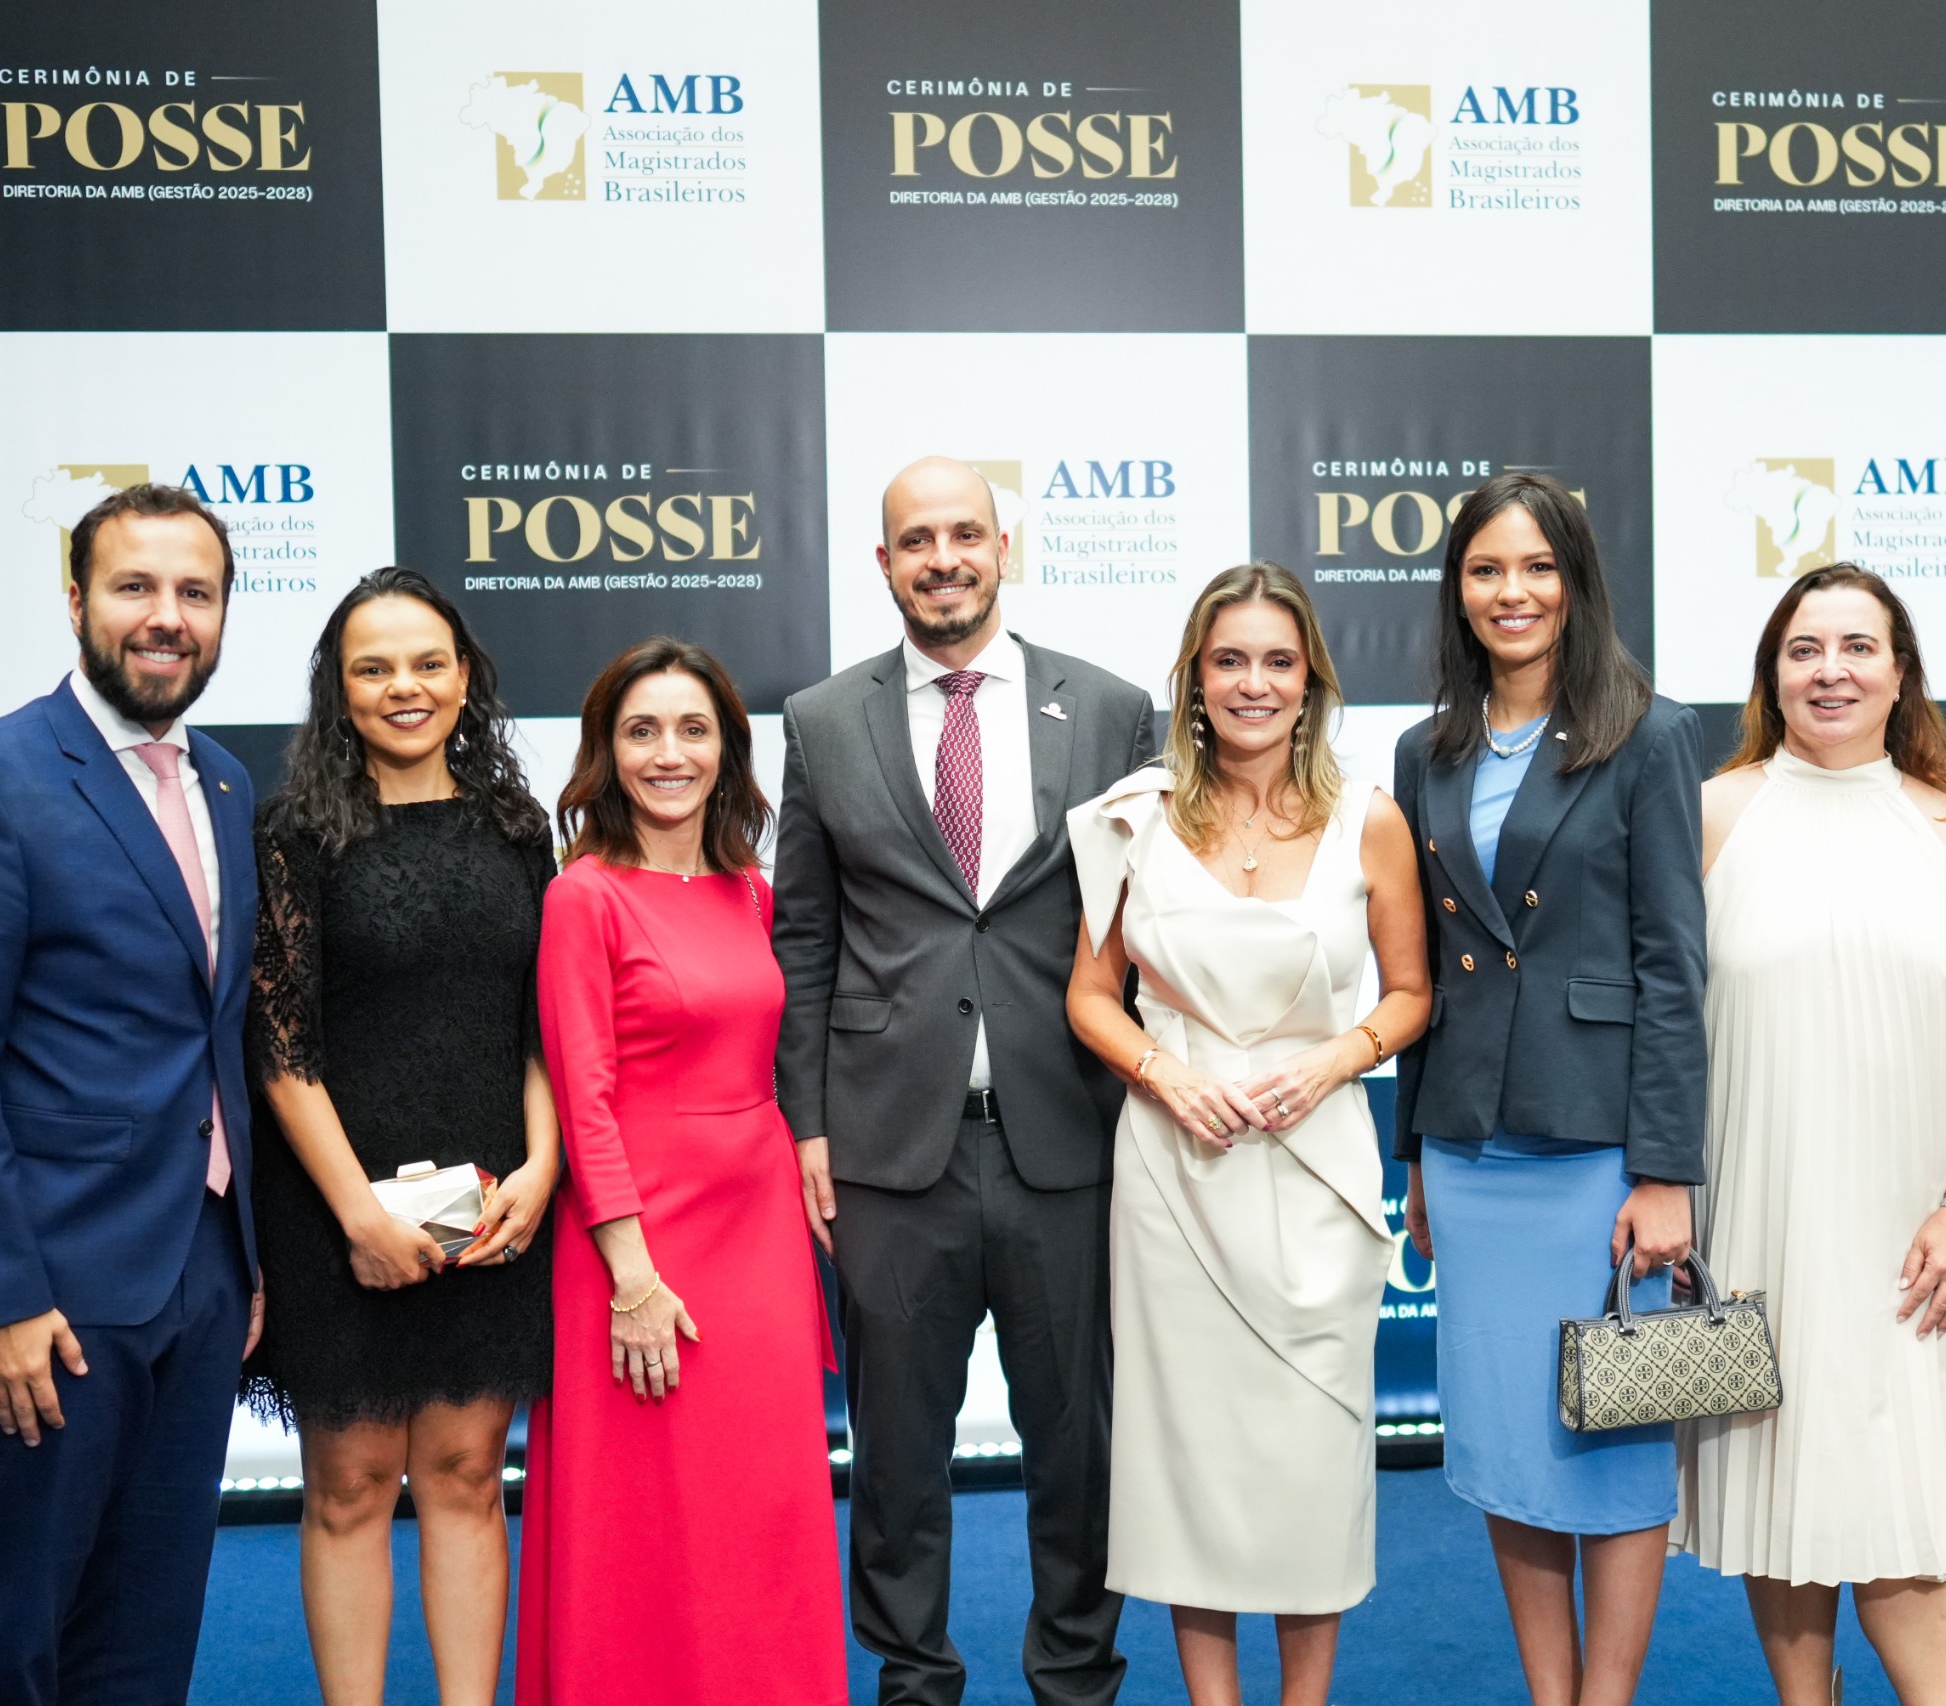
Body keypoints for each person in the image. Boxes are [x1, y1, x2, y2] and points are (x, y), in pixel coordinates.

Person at [774, 456, 1155, 1706]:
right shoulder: (821, 719)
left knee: (1080, 1444)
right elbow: (804, 938)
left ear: (1004, 547)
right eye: (916, 540)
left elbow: (1148, 930)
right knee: (895, 1455)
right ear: (883, 562)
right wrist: (806, 1123)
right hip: (888, 1151)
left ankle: (1076, 1676)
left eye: (964, 535)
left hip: (1068, 1137)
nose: (943, 559)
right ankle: (913, 1676)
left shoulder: (1110, 709)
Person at [0, 482, 262, 1704]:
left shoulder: (225, 785)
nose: (166, 616)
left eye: (195, 591)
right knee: (16, 1637)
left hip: (199, 1276)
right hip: (44, 1288)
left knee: (147, 1636)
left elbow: (214, 1033)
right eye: (134, 586)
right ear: (77, 601)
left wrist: (242, 1262)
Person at [1066, 563, 1431, 1705]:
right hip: (1174, 1173)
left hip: (1318, 1170)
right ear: (1194, 677)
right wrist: (1166, 1074)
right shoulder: (1132, 818)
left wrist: (1333, 1059)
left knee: (1313, 1460)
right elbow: (1090, 995)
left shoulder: (1370, 820)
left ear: (1311, 678)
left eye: (1278, 660)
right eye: (1229, 660)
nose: (1253, 683)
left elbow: (1411, 994)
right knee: (1193, 1465)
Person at [1676, 564, 1946, 1705]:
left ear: (1900, 672)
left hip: (1919, 1238)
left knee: (1904, 1496)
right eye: (1804, 649)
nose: (1830, 671)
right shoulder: (1710, 815)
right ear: (1772, 674)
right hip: (1761, 1216)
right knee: (1782, 1491)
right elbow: (1661, 1020)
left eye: (1857, 647)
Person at [1389, 472, 1707, 1706]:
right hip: (1470, 1150)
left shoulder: (1649, 732)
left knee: (1613, 1432)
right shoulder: (1426, 749)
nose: (1510, 592)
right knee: (1506, 1441)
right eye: (1485, 570)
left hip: (1597, 1148)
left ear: (1575, 582)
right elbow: (1421, 968)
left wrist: (1664, 1170)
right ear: (1457, 589)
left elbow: (1672, 964)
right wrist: (1416, 1156)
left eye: (1536, 567)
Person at [243, 567, 559, 1706]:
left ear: (465, 676)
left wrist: (543, 1169)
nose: (404, 686)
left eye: (427, 662)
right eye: (372, 667)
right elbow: (280, 1047)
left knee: (468, 1475)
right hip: (335, 1212)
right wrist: (360, 1219)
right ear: (339, 687)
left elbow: (543, 1026)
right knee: (352, 1485)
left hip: (493, 1207)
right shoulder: (292, 834)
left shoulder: (518, 830)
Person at [519, 638, 844, 1703]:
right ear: (607, 754)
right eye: (642, 731)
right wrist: (633, 1278)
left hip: (760, 1238)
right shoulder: (583, 896)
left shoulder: (754, 892)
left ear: (728, 749)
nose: (670, 753)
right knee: (644, 1517)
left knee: (761, 1506)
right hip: (637, 1243)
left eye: (693, 729)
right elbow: (583, 1097)